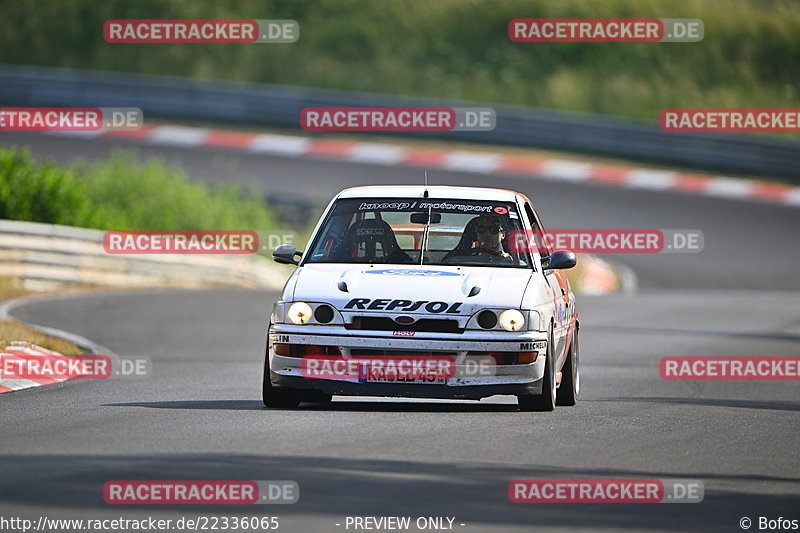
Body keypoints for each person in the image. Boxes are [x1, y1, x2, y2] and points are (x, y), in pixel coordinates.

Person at [443, 214, 512, 260]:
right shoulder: (458, 259)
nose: (487, 234)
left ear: (503, 235)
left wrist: (508, 262)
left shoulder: (512, 262)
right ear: (476, 233)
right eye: (482, 229)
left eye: (493, 230)